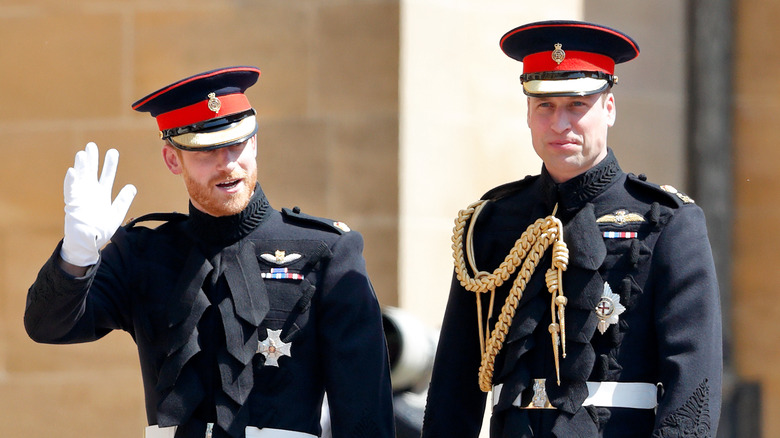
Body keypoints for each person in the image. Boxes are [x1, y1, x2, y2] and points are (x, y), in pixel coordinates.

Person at [24, 66, 396, 438]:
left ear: (254, 142)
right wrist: (77, 256)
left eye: (236, 143)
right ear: (173, 160)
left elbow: (366, 416)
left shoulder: (326, 252)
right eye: (207, 152)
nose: (227, 163)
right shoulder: (142, 253)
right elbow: (48, 326)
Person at [421, 21, 722, 437]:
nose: (559, 124)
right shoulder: (491, 222)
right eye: (545, 106)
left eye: (576, 105)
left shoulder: (667, 221)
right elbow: (455, 382)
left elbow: (693, 383)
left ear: (609, 108)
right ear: (528, 113)